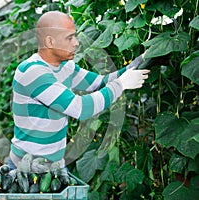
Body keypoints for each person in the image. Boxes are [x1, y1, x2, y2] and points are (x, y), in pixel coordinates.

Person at [8, 11, 150, 170]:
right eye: (69, 38)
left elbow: (100, 82)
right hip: (25, 166)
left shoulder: (65, 66)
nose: (76, 43)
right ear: (49, 41)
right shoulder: (32, 72)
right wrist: (121, 84)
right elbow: (80, 108)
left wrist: (143, 59)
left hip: (55, 165)